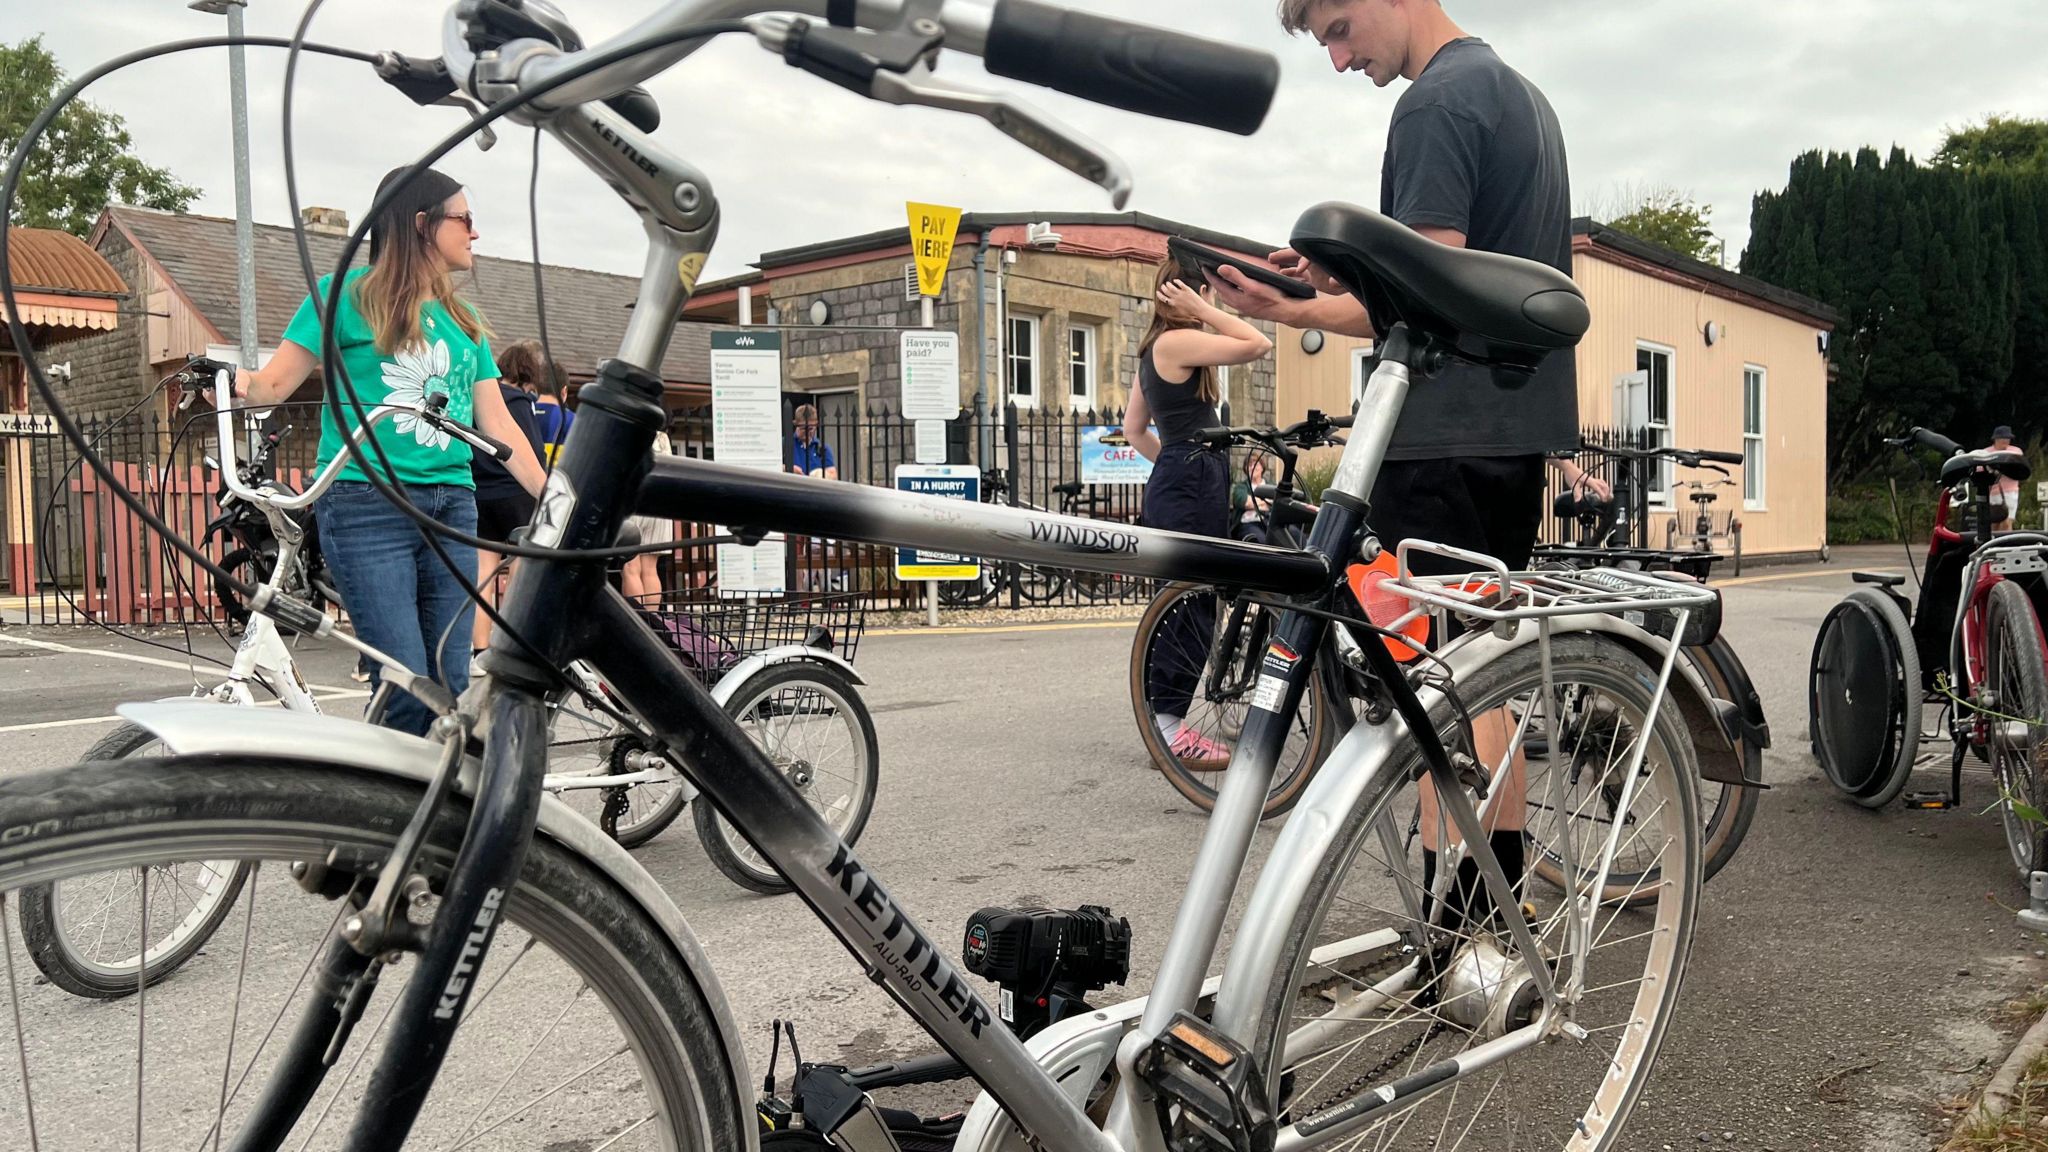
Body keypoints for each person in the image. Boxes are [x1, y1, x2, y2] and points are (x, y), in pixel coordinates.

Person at [1210, 0, 1577, 920]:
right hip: (1511, 426)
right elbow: (1461, 265)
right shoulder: (1520, 97)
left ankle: (1461, 907)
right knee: (1481, 665)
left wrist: (1288, 307)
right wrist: (1336, 266)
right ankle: (1500, 896)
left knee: (1431, 680)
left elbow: (1421, 300)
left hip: (1440, 430)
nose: (1339, 60)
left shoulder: (1434, 105)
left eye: (1337, 28)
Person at [236, 166, 547, 737]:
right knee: (403, 683)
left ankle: (429, 811)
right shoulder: (341, 297)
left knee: (451, 686)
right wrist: (237, 382)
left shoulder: (465, 321)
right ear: (422, 224)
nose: (475, 234)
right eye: (466, 220)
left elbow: (497, 423)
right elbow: (273, 386)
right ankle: (391, 816)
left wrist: (555, 500)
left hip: (454, 509)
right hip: (367, 506)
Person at [1124, 263, 1274, 763]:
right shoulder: (1174, 343)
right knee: (1192, 605)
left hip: (1185, 480)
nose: (1214, 303)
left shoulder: (1153, 350)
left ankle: (1167, 721)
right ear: (1187, 293)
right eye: (1208, 292)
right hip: (1189, 486)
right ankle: (1168, 730)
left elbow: (1133, 430)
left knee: (1193, 601)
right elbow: (1258, 344)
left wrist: (1174, 459)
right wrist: (1203, 310)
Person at [470, 339, 552, 668]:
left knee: (482, 575)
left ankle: (480, 651)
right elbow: (528, 449)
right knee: (521, 573)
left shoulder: (478, 395)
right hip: (516, 494)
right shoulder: (519, 401)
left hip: (479, 493)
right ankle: (513, 643)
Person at [619, 428, 675, 602]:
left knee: (631, 567)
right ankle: (652, 621)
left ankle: (637, 620)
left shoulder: (629, 429)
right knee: (651, 569)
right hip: (658, 505)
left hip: (632, 502)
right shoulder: (663, 438)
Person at [790, 404, 842, 589]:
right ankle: (797, 593)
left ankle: (824, 590)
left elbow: (833, 474)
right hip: (791, 504)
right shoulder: (786, 444)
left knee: (819, 550)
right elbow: (773, 467)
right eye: (804, 428)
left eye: (811, 428)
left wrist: (819, 474)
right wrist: (790, 470)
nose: (808, 432)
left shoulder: (822, 448)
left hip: (815, 505)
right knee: (795, 551)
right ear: (796, 424)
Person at [1230, 453, 1275, 544]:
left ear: (1262, 467)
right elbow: (1245, 502)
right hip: (1249, 523)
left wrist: (1254, 500)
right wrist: (1265, 502)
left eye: (1255, 464)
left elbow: (1277, 503)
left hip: (1270, 523)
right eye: (1249, 465)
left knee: (1294, 534)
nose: (1252, 467)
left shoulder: (1272, 486)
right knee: (1260, 540)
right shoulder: (1240, 487)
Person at [533, 367, 574, 465]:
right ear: (564, 391)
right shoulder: (571, 419)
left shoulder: (522, 412)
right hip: (554, 476)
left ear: (536, 388)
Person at [1986, 424, 2021, 531]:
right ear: (1996, 439)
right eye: (2003, 438)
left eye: (2008, 438)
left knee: (2007, 522)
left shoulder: (2015, 452)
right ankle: (1992, 546)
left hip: (2011, 492)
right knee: (1994, 524)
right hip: (1992, 492)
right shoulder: (1986, 453)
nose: (2006, 440)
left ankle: (2006, 545)